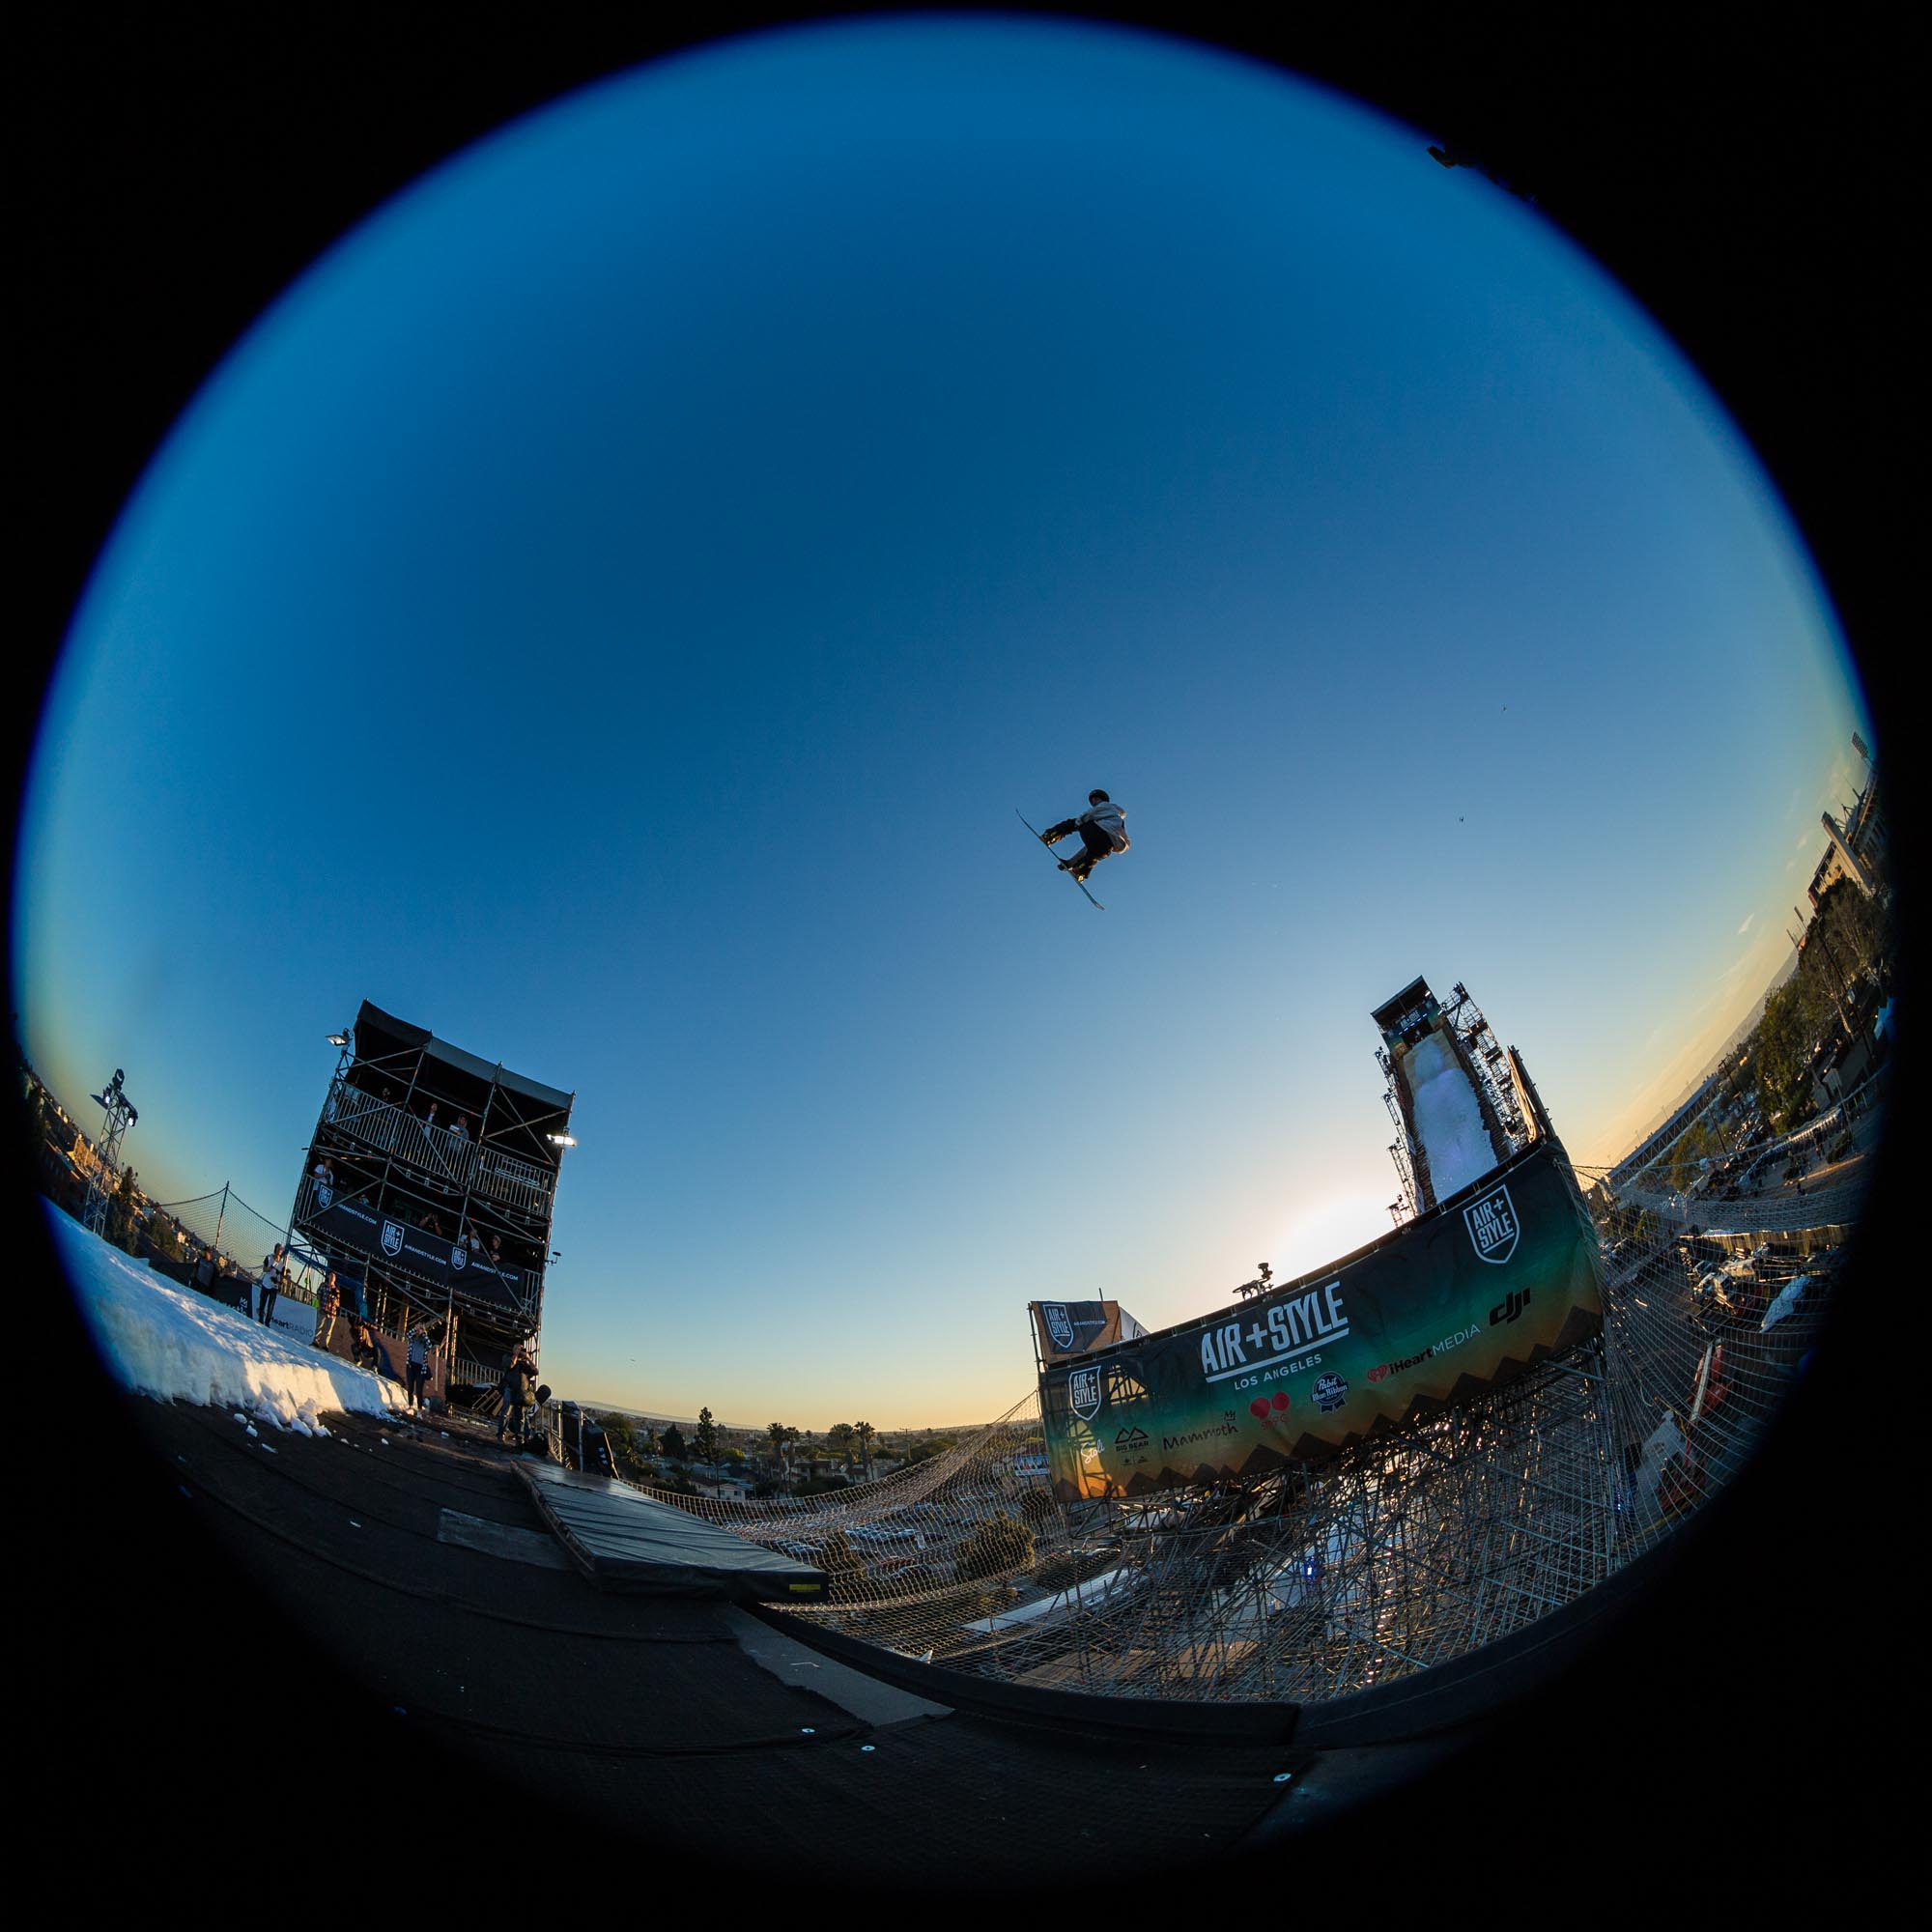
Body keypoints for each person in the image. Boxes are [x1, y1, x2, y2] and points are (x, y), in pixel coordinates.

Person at [1038, 788, 1130, 885]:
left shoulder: (1106, 806)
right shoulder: (1118, 821)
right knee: (1094, 853)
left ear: (1102, 799)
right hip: (1106, 846)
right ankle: (1080, 870)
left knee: (1075, 822)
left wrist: (1077, 823)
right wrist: (1069, 863)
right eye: (1092, 801)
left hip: (1096, 831)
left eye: (1096, 799)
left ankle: (1050, 835)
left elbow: (1089, 814)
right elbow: (1089, 848)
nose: (1094, 802)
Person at [404, 1319, 432, 1416]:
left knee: (419, 1390)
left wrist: (423, 1333)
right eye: (417, 1328)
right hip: (410, 1365)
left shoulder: (424, 1340)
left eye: (420, 1329)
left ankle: (419, 1410)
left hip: (421, 1368)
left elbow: (429, 1346)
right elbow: (407, 1335)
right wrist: (414, 1329)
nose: (418, 1330)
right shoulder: (412, 1338)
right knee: (410, 1387)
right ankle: (410, 1406)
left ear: (423, 1330)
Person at [257, 1244, 284, 1327]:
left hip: (274, 1286)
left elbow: (282, 1277)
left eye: (281, 1249)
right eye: (279, 1249)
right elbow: (264, 1269)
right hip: (266, 1283)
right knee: (262, 1301)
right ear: (275, 1249)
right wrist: (271, 1268)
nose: (280, 1250)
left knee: (271, 1305)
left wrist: (278, 1282)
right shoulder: (269, 1257)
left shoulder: (282, 1263)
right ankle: (261, 1318)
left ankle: (267, 1322)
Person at [314, 1271, 342, 1350]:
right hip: (323, 1308)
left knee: (328, 1330)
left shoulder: (336, 1289)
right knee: (319, 1326)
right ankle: (316, 1341)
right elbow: (318, 1295)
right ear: (328, 1277)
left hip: (332, 1312)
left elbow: (338, 1304)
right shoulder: (323, 1285)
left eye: (334, 1277)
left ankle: (325, 1345)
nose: (332, 1278)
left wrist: (335, 1300)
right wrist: (317, 1306)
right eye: (331, 1276)